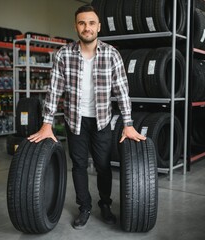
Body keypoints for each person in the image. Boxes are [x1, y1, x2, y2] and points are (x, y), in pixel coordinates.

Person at [28, 5, 146, 230]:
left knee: (103, 166)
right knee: (79, 165)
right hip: (75, 120)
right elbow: (54, 90)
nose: (87, 27)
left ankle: (105, 204)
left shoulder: (112, 54)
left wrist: (128, 124)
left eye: (91, 23)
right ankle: (84, 208)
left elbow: (122, 92)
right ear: (76, 26)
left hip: (102, 120)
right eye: (82, 23)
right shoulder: (64, 54)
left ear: (99, 26)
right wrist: (47, 123)